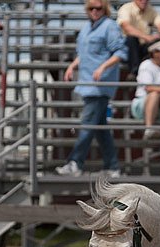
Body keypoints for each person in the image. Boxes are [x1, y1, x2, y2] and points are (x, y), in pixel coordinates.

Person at [56, 0, 128, 179]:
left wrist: (103, 68)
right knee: (100, 127)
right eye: (91, 8)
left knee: (87, 125)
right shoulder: (87, 27)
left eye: (99, 8)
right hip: (87, 84)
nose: (95, 11)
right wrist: (72, 66)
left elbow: (120, 52)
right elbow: (84, 53)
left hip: (100, 86)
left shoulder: (109, 26)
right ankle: (112, 167)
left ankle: (75, 162)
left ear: (105, 9)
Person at [117, 0, 160, 76]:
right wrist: (147, 37)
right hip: (129, 47)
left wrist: (159, 35)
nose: (144, 1)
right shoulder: (126, 8)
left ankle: (153, 71)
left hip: (143, 46)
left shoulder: (151, 10)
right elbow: (126, 27)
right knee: (131, 39)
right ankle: (135, 72)